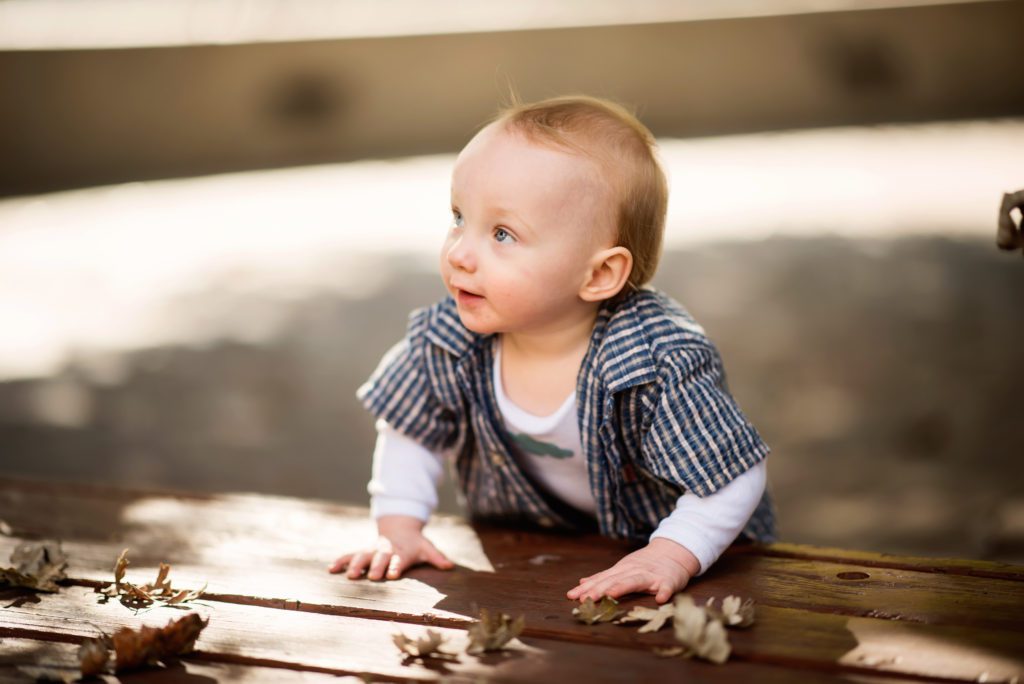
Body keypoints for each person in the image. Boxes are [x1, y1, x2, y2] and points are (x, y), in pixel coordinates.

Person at [329, 95, 774, 604]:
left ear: (599, 273)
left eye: (502, 233)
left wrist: (672, 553)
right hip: (537, 555)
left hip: (694, 560)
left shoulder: (654, 361)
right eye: (458, 217)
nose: (459, 253)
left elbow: (732, 473)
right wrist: (399, 524)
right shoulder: (448, 341)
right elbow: (411, 428)